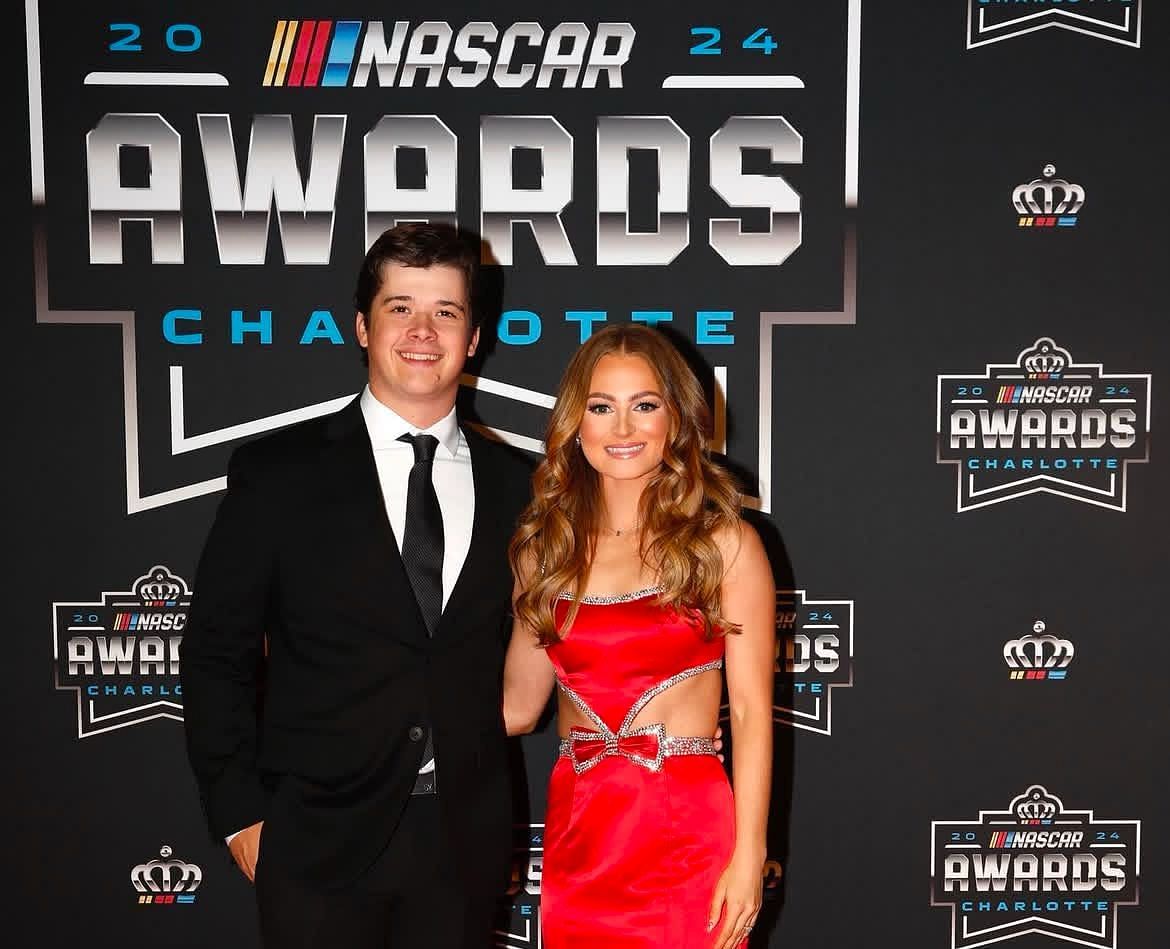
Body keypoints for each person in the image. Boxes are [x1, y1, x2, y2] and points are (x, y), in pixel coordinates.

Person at [180, 221, 534, 949]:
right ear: (361, 327)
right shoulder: (279, 473)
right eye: (401, 307)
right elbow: (217, 649)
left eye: (447, 311)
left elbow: (547, 645)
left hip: (462, 843)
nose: (422, 331)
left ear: (474, 338)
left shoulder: (522, 488)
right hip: (314, 839)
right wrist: (240, 811)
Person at [502, 323, 776, 949]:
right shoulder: (545, 553)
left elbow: (756, 715)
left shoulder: (724, 543)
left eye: (643, 406)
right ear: (577, 423)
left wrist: (749, 857)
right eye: (602, 408)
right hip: (579, 835)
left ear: (675, 417)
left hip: (685, 833)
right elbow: (517, 707)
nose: (622, 430)